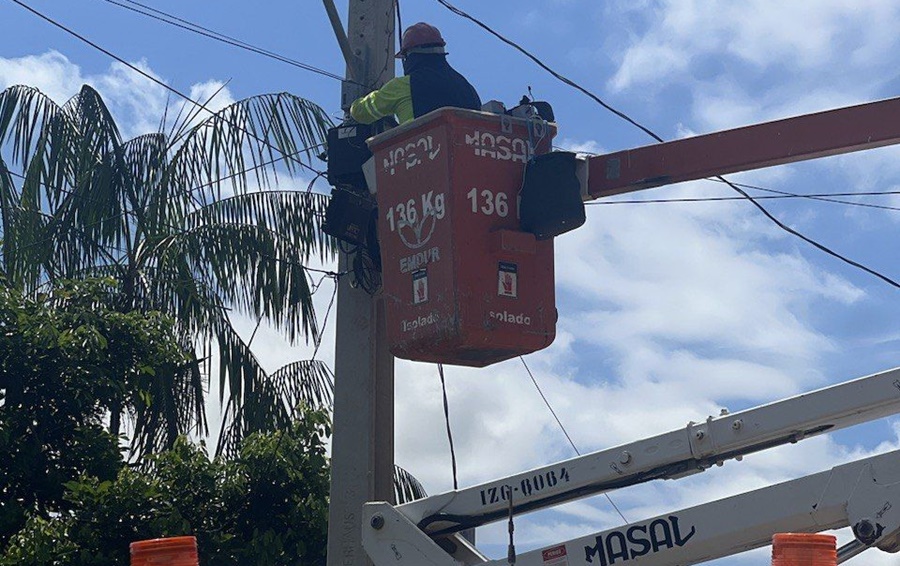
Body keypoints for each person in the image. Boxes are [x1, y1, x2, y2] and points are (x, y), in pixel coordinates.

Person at [350, 22, 481, 125]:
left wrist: (354, 103)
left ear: (411, 55)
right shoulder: (465, 86)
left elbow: (360, 113)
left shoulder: (403, 85)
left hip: (419, 155)